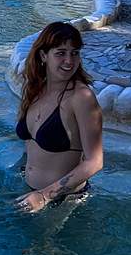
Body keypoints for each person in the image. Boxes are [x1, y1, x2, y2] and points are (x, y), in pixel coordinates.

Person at [13, 21, 105, 214]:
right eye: (61, 53)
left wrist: (45, 195)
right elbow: (30, 144)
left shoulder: (81, 98)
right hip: (30, 193)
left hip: (63, 201)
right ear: (43, 55)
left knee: (37, 246)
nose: (69, 61)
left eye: (75, 53)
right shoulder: (34, 88)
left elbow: (95, 161)